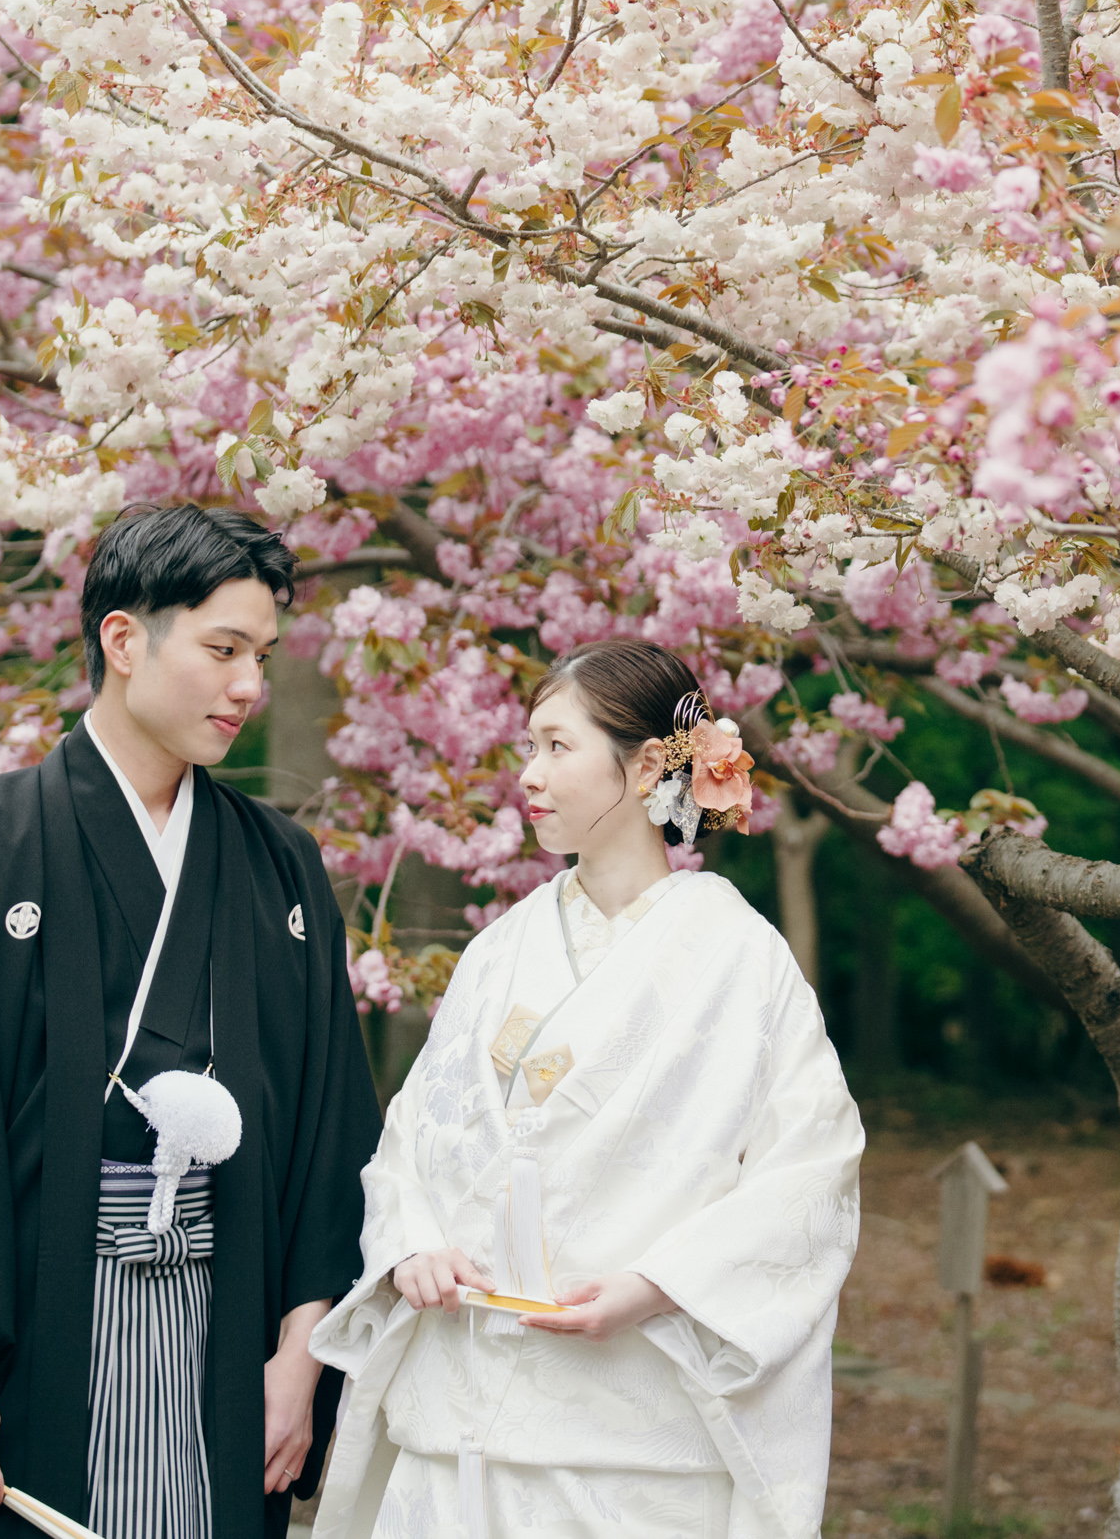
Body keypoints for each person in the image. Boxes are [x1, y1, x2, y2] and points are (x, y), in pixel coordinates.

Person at [0, 502, 384, 1537]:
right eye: (223, 648)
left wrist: (300, 1352)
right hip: (25, 1330)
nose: (248, 686)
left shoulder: (281, 866)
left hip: (228, 1337)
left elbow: (329, 1130)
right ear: (123, 638)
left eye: (262, 655)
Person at [312, 640, 862, 1539]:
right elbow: (412, 1140)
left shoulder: (738, 958)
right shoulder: (500, 948)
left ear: (648, 763)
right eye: (529, 747)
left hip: (627, 1442)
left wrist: (659, 1281)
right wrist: (413, 1242)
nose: (529, 774)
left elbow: (814, 1170)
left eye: (557, 747)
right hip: (455, 1424)